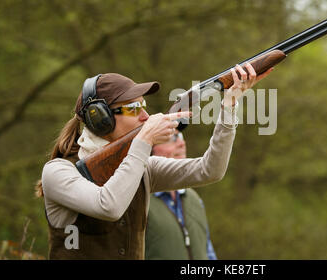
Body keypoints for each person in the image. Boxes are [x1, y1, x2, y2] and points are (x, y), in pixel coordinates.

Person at [35, 64, 273, 259]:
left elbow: (210, 170)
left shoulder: (141, 167)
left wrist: (229, 105)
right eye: (133, 108)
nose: (145, 116)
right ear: (101, 119)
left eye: (144, 105)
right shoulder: (58, 172)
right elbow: (108, 206)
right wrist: (144, 141)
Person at [146, 130, 217, 260]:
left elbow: (208, 252)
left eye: (180, 137)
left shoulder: (195, 199)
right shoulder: (139, 201)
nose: (181, 143)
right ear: (149, 149)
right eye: (171, 138)